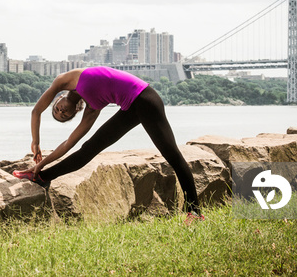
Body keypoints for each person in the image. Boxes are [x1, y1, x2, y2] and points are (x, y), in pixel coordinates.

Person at [13, 66, 203, 221]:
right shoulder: (92, 109)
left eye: (57, 109)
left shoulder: (65, 79)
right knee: (89, 148)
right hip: (132, 106)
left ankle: (194, 212)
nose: (61, 112)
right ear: (74, 114)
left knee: (172, 155)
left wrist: (36, 142)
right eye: (63, 115)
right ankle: (42, 177)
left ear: (58, 99)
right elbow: (68, 144)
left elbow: (36, 111)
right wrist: (41, 164)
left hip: (145, 98)